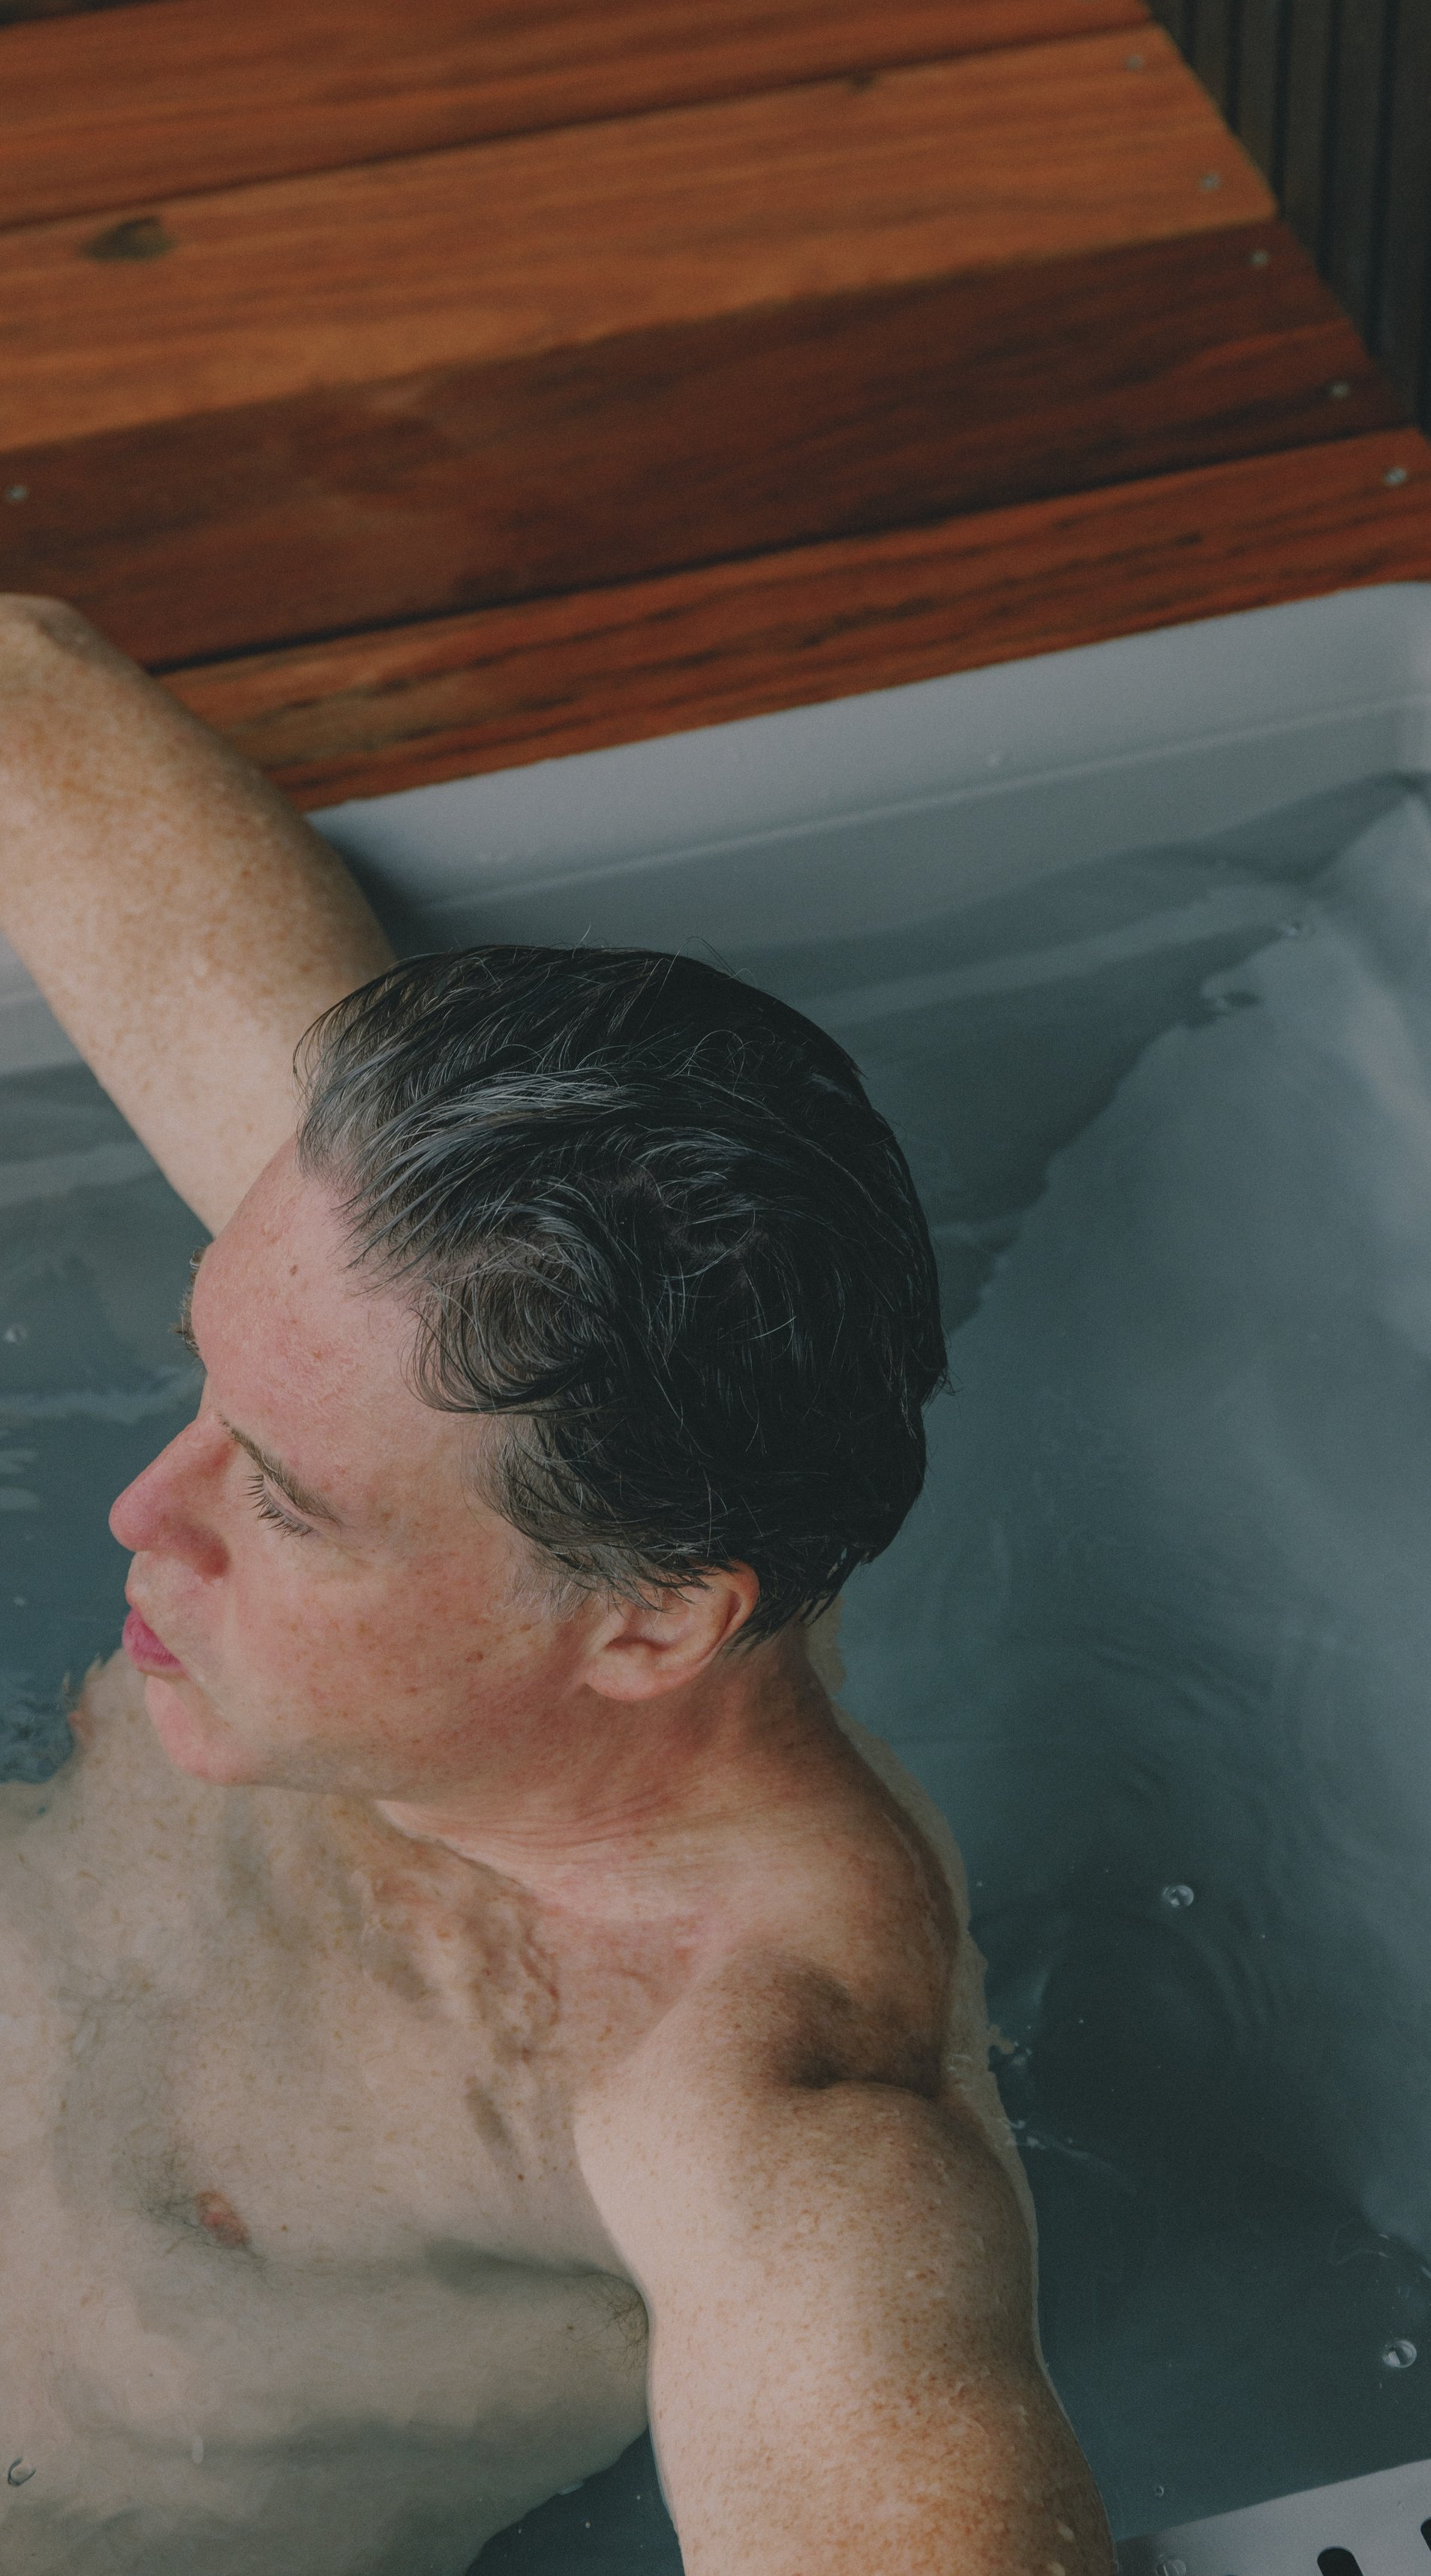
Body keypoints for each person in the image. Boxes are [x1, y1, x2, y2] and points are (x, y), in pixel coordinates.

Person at [0, 593, 1114, 2576]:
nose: (143, 1515)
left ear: (647, 1621)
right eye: (211, 1383)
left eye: (293, 1500)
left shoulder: (751, 2094)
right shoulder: (389, 1310)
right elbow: (20, 692)